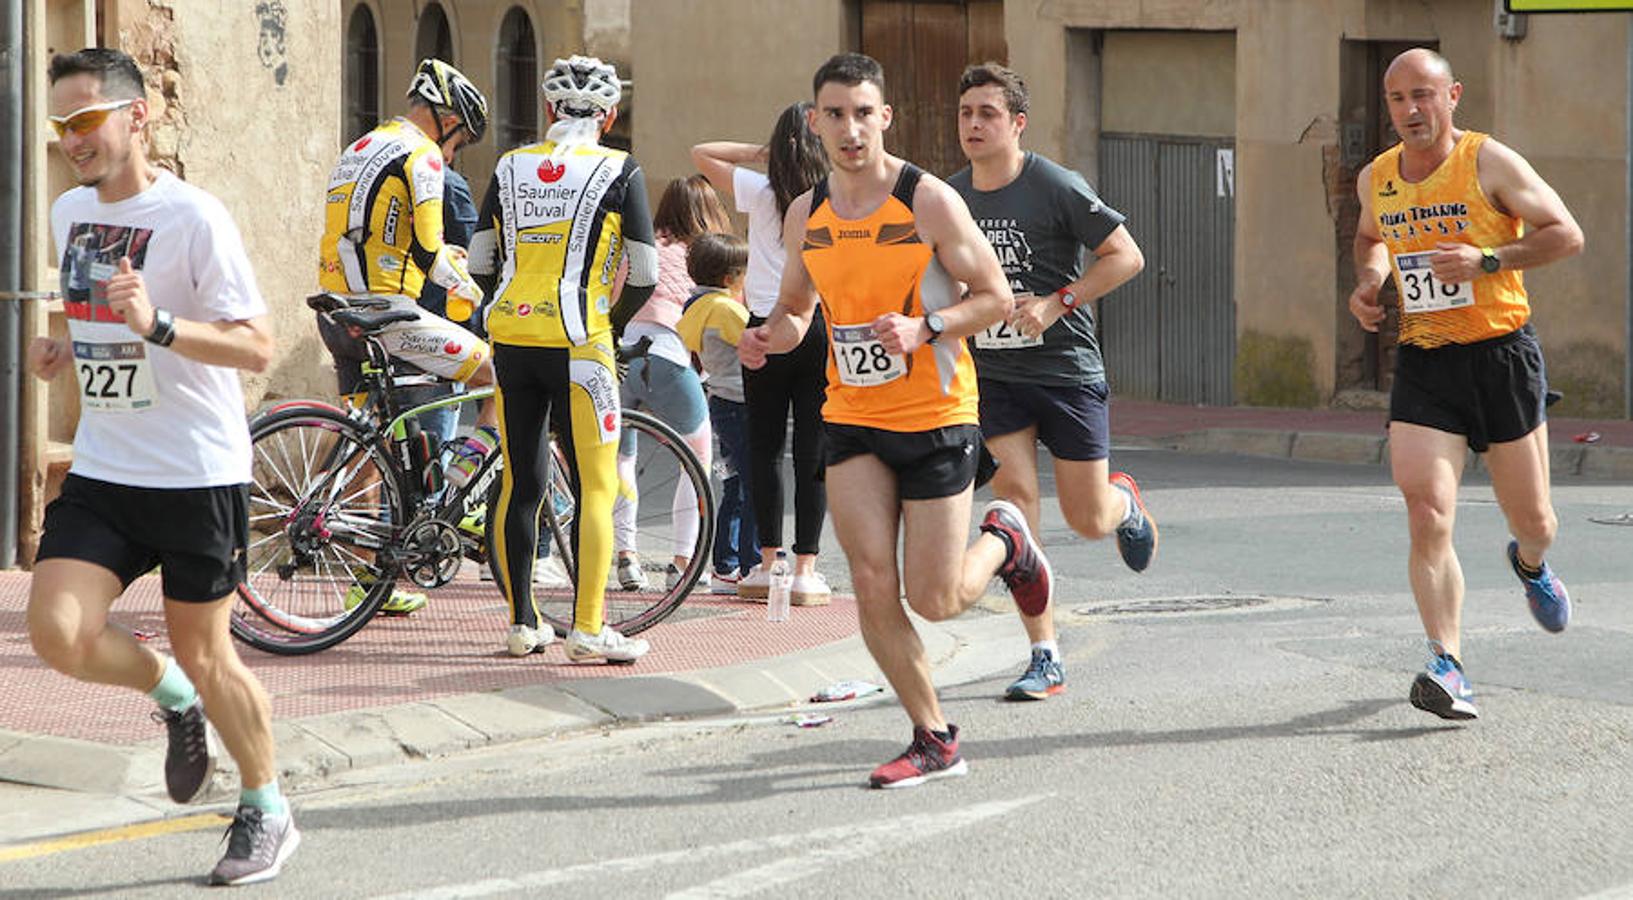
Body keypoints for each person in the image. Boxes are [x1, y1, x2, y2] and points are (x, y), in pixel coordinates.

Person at [739, 53, 1052, 788]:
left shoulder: (928, 200)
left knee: (936, 599)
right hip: (849, 415)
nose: (849, 129)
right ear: (814, 123)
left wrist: (927, 326)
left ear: (885, 118)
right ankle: (933, 734)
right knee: (872, 581)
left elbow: (996, 297)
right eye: (834, 114)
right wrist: (765, 337)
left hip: (937, 413)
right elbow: (795, 311)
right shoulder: (805, 212)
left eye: (862, 113)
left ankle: (1003, 542)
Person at [29, 48, 297, 884]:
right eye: (62, 123)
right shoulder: (69, 210)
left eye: (86, 119)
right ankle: (171, 696)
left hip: (194, 473)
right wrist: (65, 346)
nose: (72, 138)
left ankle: (267, 809)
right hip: (110, 468)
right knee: (58, 634)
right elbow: (96, 309)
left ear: (135, 115)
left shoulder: (194, 217)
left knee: (214, 655)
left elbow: (256, 346)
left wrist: (161, 326)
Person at [1347, 48, 1583, 720]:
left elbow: (1565, 234)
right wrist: (1369, 283)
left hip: (1501, 357)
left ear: (1451, 95)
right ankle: (1446, 664)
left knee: (1533, 519)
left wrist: (1486, 258)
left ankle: (1531, 564)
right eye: (1396, 99)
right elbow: (1369, 238)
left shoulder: (1487, 162)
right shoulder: (1377, 177)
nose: (1410, 111)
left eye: (1422, 95)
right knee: (1426, 513)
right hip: (1424, 362)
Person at [948, 63, 1157, 702]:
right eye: (966, 114)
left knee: (1087, 517)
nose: (975, 125)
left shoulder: (1054, 185)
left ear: (1016, 123)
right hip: (995, 374)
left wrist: (1058, 301)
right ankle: (1044, 653)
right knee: (1015, 512)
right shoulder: (950, 196)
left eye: (988, 113)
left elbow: (1126, 255)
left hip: (1065, 368)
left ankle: (1123, 501)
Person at [467, 55, 658, 662]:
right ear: (610, 115)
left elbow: (477, 262)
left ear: (550, 111)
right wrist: (613, 323)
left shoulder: (508, 165)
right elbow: (647, 273)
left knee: (521, 483)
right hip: (583, 343)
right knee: (596, 486)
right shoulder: (621, 169)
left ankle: (523, 624)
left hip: (512, 341)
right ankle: (588, 627)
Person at [316, 58, 495, 614]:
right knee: (503, 375)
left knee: (373, 446)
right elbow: (430, 250)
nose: (454, 151)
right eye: (459, 138)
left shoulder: (361, 147)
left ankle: (371, 582)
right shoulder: (421, 156)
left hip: (337, 312)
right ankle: (461, 496)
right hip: (389, 314)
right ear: (444, 118)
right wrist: (478, 293)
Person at [692, 102, 833, 605]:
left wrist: (762, 153)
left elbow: (701, 153)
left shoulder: (762, 190)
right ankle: (806, 570)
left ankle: (766, 565)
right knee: (814, 448)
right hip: (818, 323)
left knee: (764, 447)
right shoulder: (829, 197)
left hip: (763, 326)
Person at [612, 175, 730, 592]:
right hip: (669, 357)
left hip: (621, 354)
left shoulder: (640, 248)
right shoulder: (703, 256)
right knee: (695, 460)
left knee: (620, 457)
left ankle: (626, 556)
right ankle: (682, 563)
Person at [675, 233, 758, 590]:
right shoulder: (725, 309)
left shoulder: (694, 307)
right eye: (745, 273)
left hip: (721, 400)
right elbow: (757, 339)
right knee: (755, 485)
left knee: (734, 484)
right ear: (729, 279)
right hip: (742, 402)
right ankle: (752, 561)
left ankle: (726, 562)